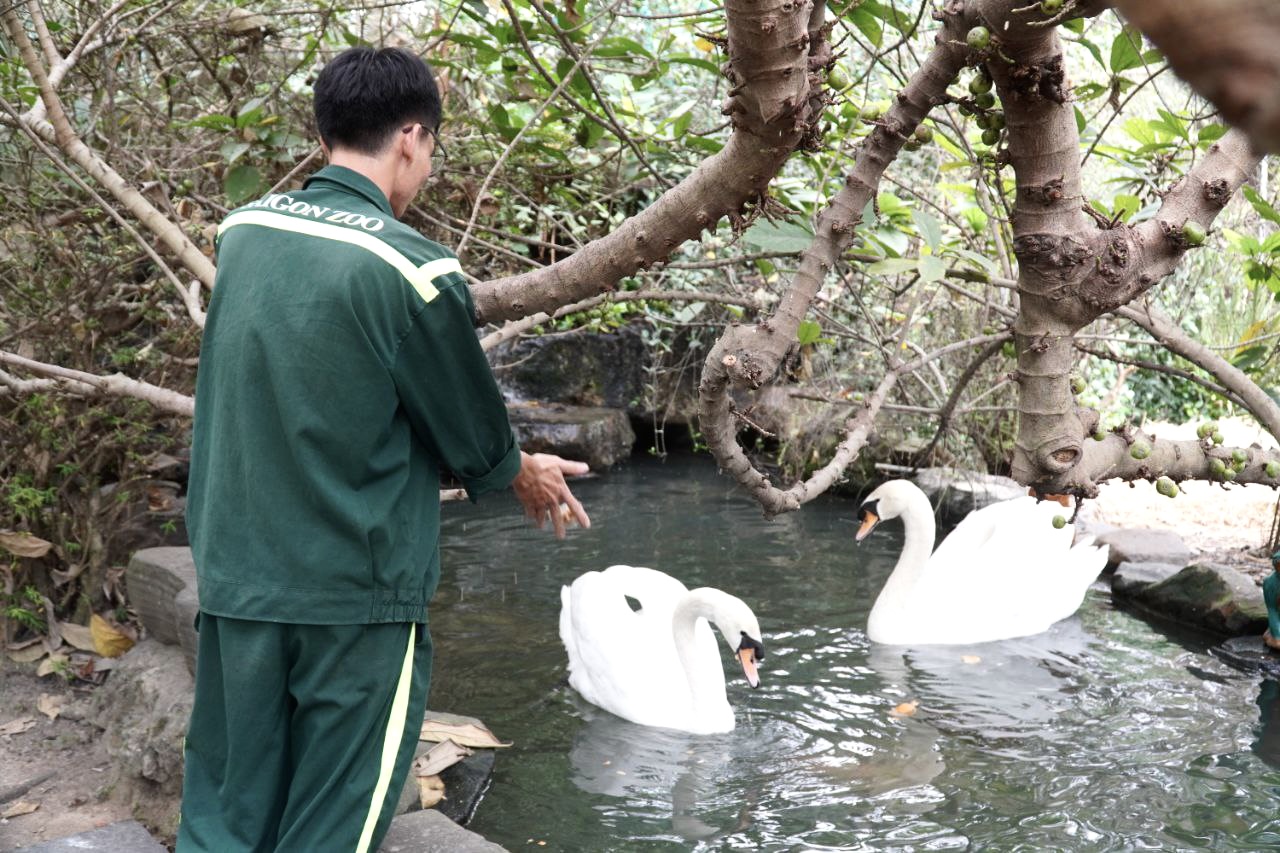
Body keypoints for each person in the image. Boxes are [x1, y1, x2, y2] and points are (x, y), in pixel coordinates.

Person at [177, 46, 590, 852]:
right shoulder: (415, 269)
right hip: (353, 599)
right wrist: (522, 471)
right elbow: (473, 433)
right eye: (431, 148)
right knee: (336, 818)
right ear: (410, 137)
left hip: (236, 578)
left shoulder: (244, 231)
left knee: (225, 811)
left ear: (324, 132)